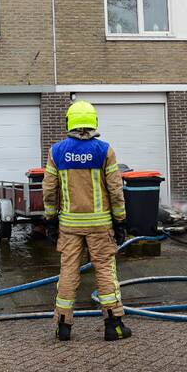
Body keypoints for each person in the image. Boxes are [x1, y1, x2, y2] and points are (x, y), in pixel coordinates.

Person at [42, 100, 130, 342]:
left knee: (68, 272)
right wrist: (120, 221)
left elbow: (49, 190)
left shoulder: (57, 151)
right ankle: (114, 326)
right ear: (94, 122)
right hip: (101, 227)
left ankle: (63, 326)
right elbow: (116, 190)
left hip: (69, 226)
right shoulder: (104, 151)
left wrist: (50, 220)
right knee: (105, 271)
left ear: (69, 122)